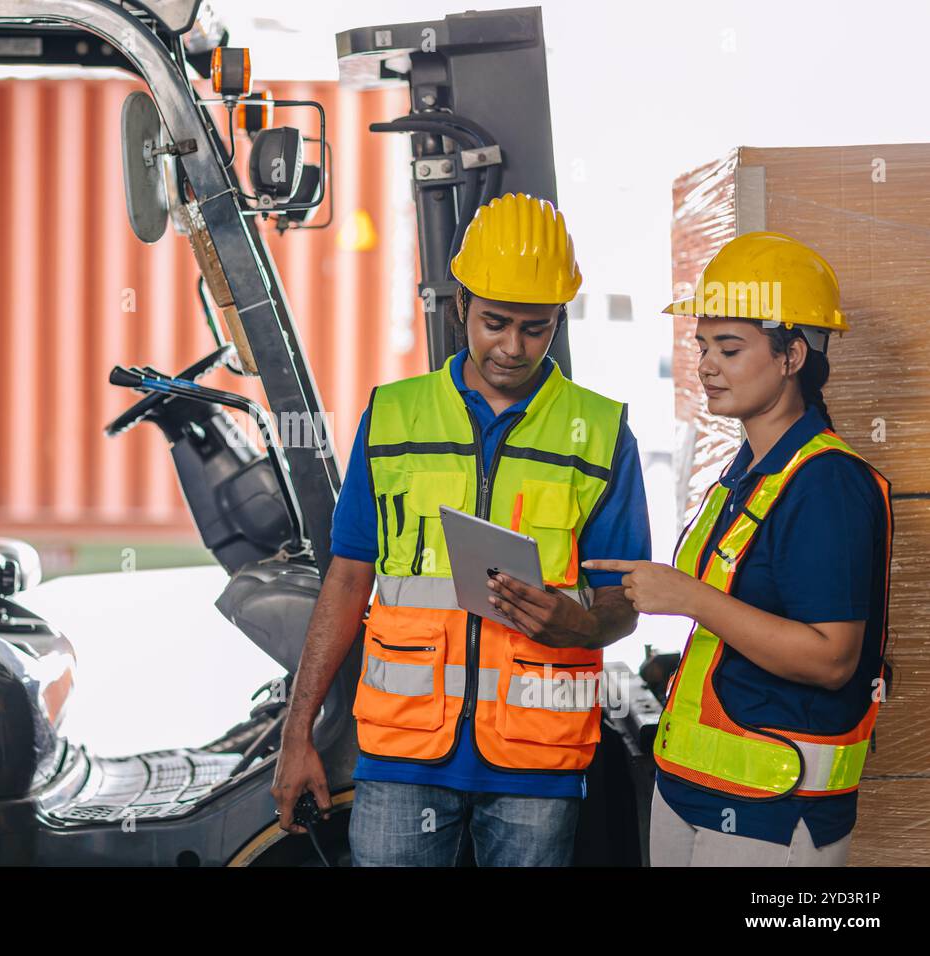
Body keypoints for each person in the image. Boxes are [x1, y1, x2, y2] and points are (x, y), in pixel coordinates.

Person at [271, 193, 651, 866]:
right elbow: (349, 576)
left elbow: (624, 600)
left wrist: (583, 623)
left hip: (538, 760)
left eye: (535, 329)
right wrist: (296, 735)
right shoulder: (393, 417)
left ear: (558, 320)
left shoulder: (601, 434)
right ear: (459, 308)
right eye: (495, 322)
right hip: (403, 756)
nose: (511, 347)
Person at [584, 231, 893, 867]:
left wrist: (687, 597)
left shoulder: (826, 483)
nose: (705, 365)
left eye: (729, 347)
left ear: (791, 356)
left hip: (775, 809)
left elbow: (834, 659)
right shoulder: (747, 472)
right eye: (702, 347)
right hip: (696, 785)